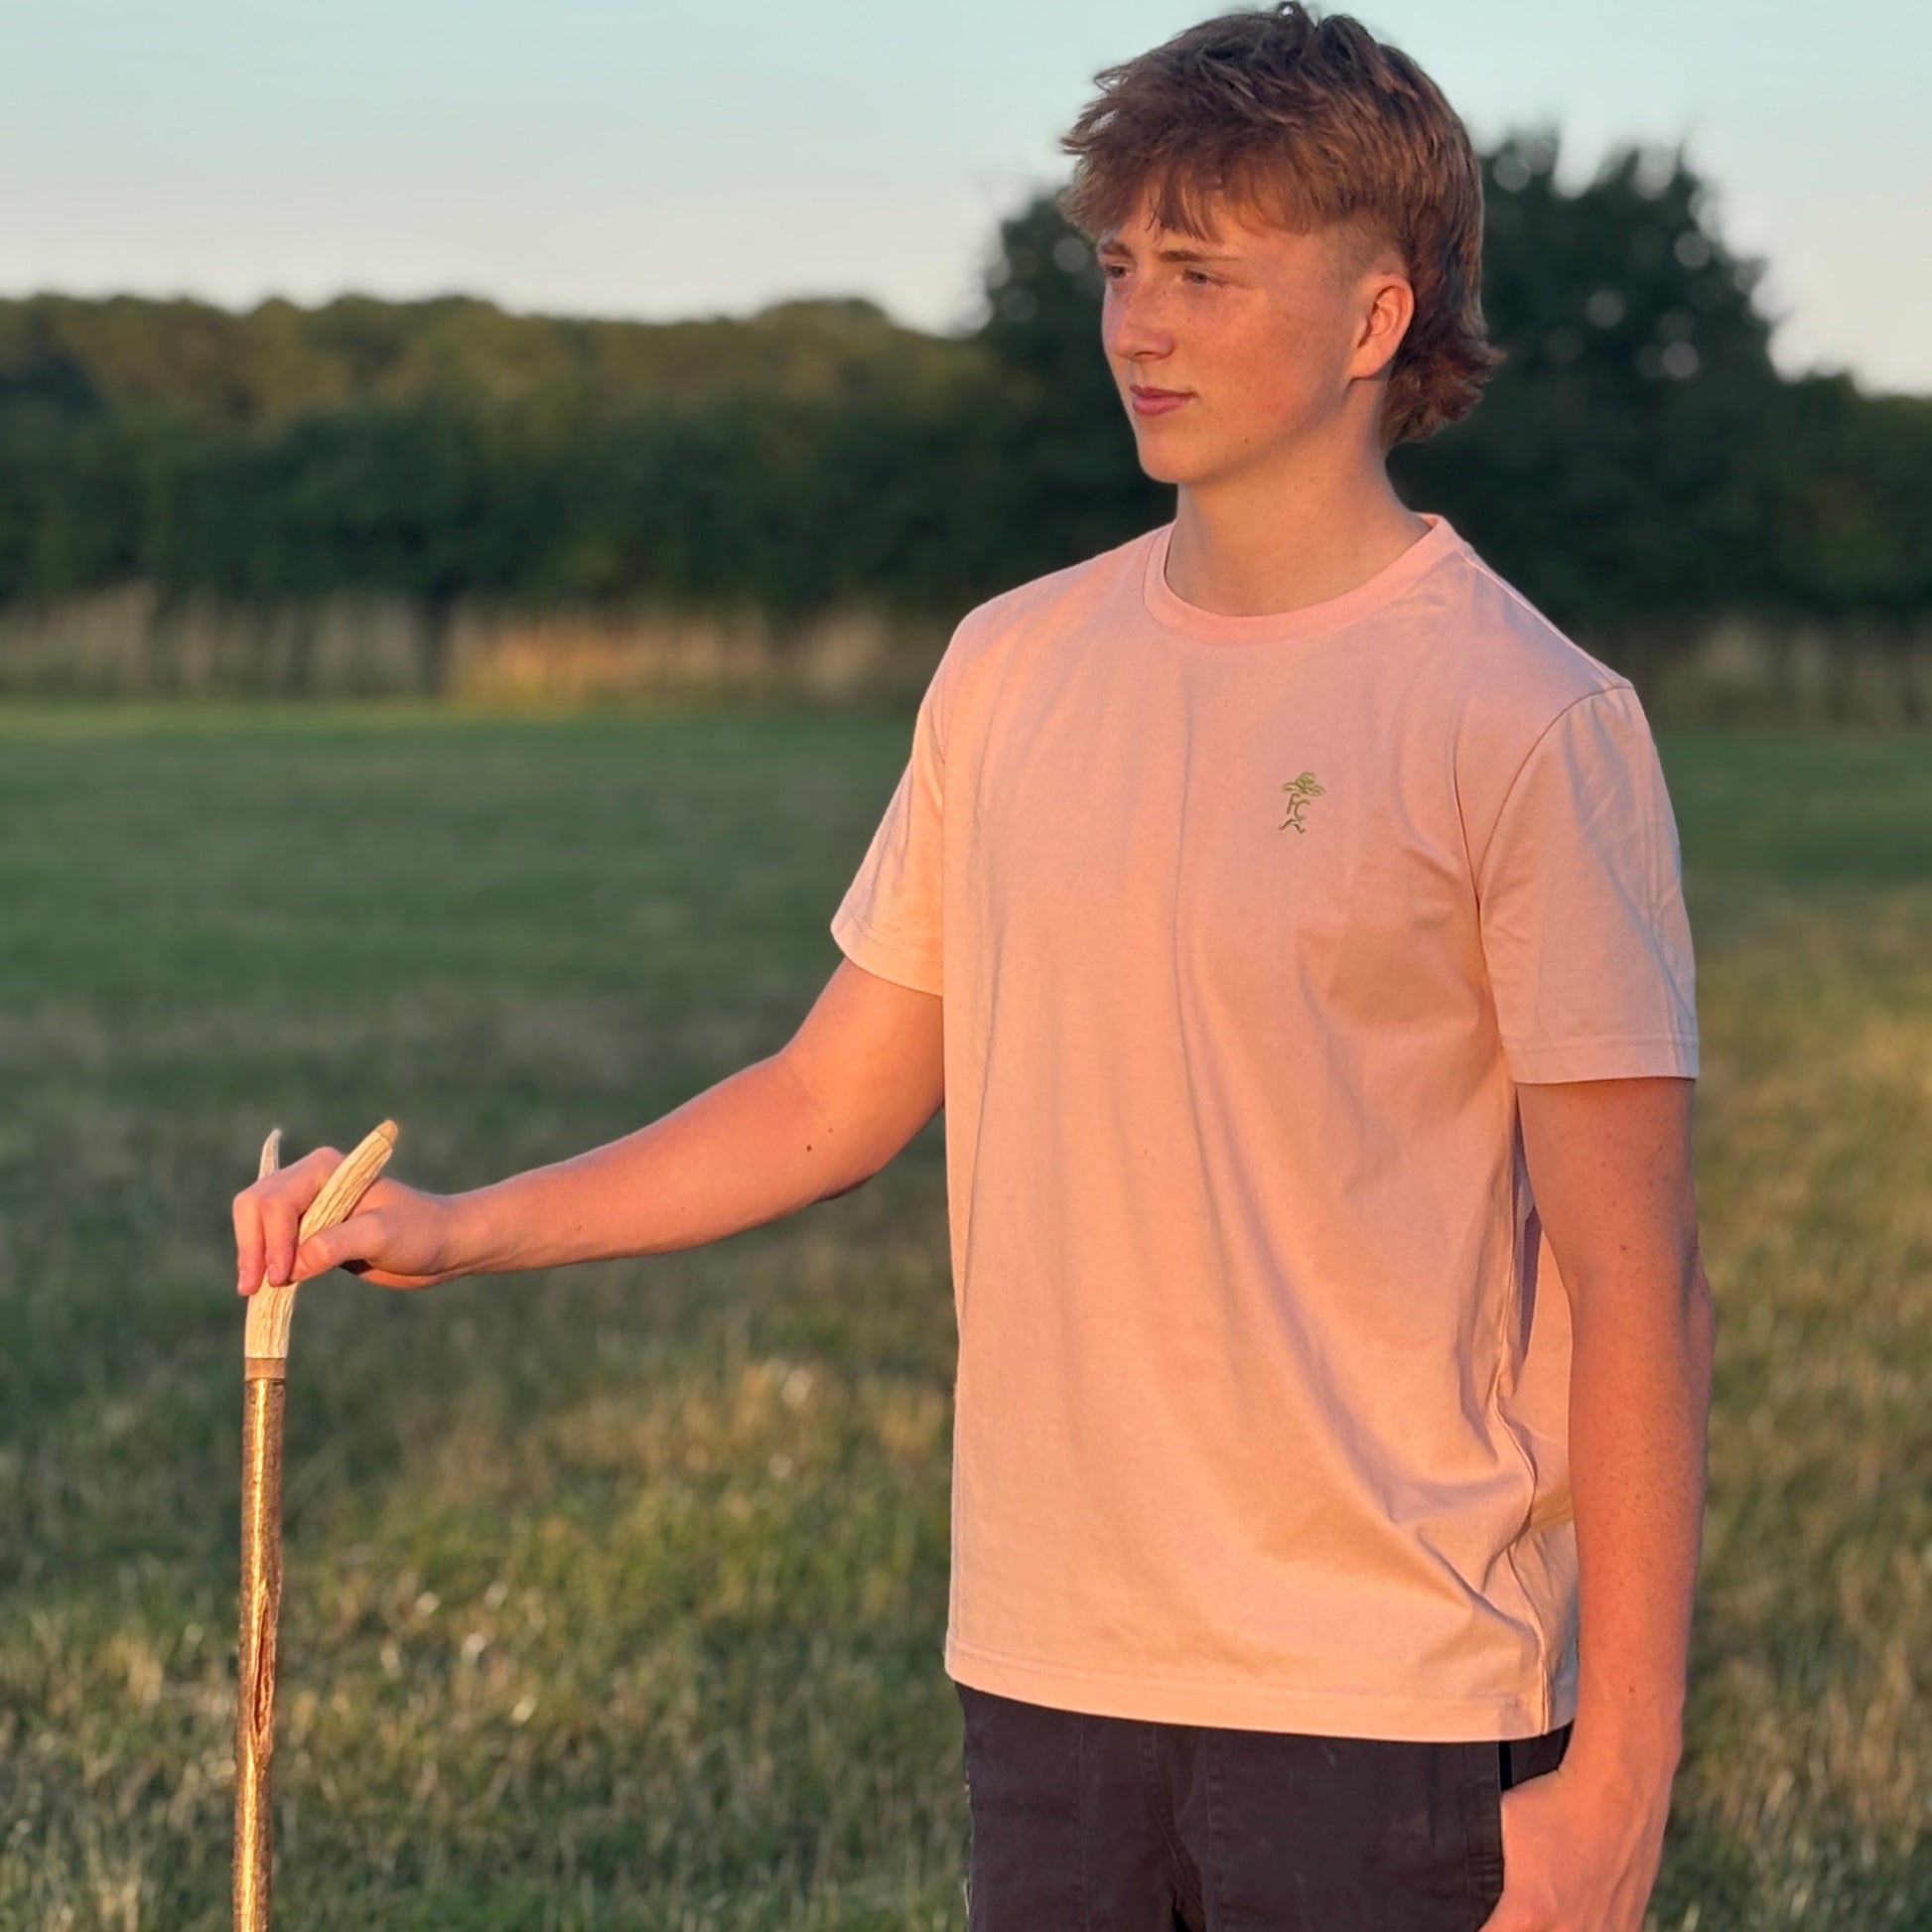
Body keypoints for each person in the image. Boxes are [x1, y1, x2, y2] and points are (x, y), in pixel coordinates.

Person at [232, 4, 1716, 1926]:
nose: (1138, 327)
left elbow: (1637, 1281)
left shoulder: (1524, 718)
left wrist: (1618, 1784)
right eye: (1117, 267)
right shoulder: (1010, 665)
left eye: (1202, 272)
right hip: (1048, 1660)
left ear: (1372, 319)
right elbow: (827, 1099)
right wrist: (456, 1226)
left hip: (1388, 1684)